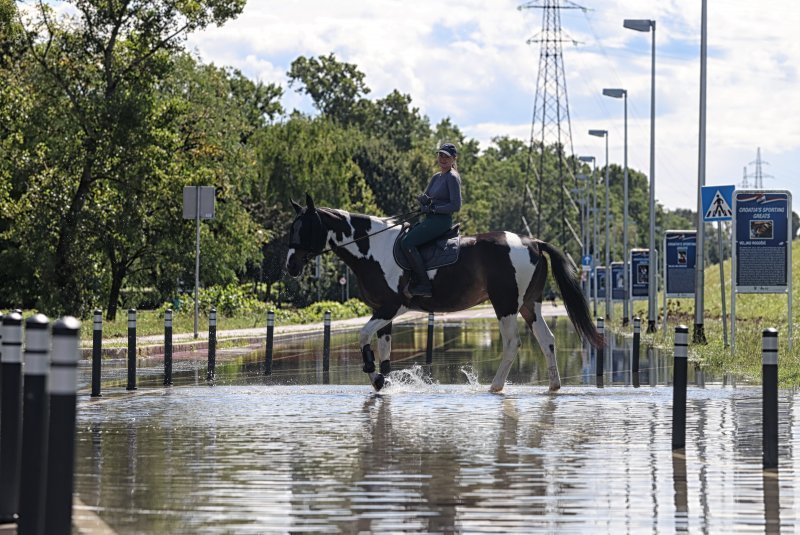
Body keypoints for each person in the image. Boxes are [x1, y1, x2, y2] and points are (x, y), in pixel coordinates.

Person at [401, 142, 462, 297]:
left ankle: (424, 284)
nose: (442, 158)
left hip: (441, 222)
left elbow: (456, 205)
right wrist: (424, 202)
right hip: (430, 219)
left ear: (454, 159)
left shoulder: (452, 177)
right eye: (440, 155)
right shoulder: (436, 177)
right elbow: (428, 197)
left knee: (407, 242)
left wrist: (434, 208)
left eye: (446, 156)